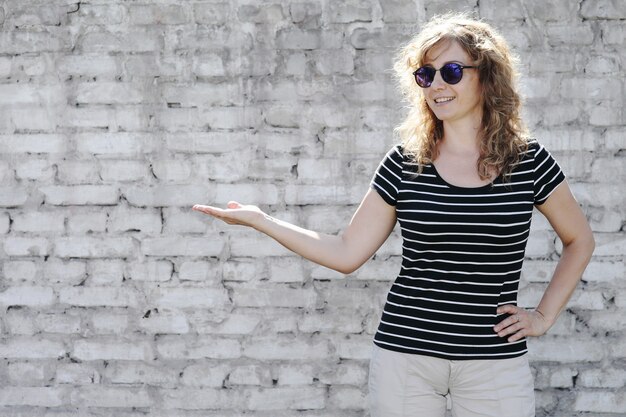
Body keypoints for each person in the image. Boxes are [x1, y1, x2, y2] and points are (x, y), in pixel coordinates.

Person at [193, 12, 595, 417]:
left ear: (487, 77)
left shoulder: (528, 161)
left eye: (451, 71)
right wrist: (263, 221)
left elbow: (579, 240)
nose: (437, 85)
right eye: (426, 75)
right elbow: (347, 252)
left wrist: (542, 316)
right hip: (407, 360)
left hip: (494, 364)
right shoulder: (405, 162)